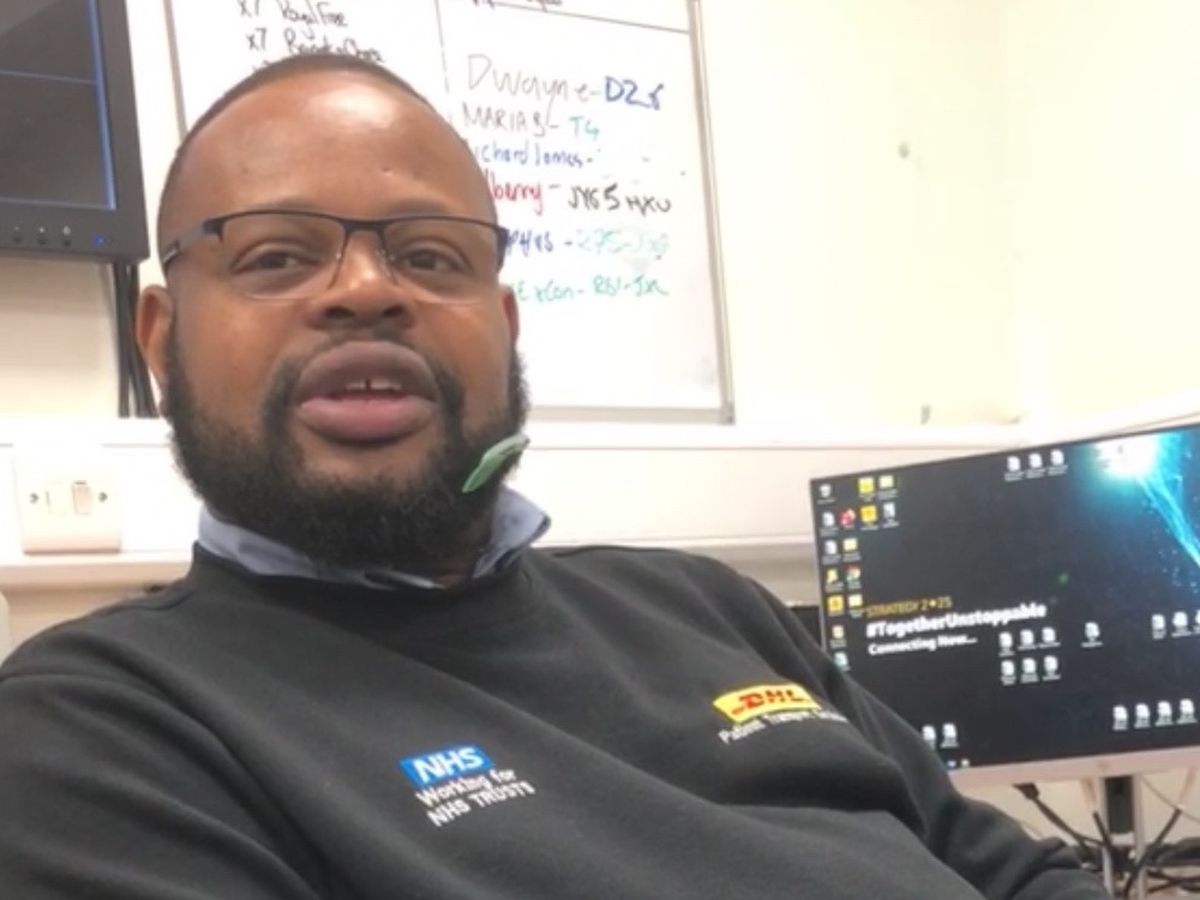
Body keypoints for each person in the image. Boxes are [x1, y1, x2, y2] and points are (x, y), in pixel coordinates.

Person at [0, 55, 1108, 899]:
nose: (366, 290)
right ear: (162, 339)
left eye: (430, 255)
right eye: (276, 255)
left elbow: (1016, 877)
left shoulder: (709, 606)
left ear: (503, 324)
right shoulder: (98, 732)